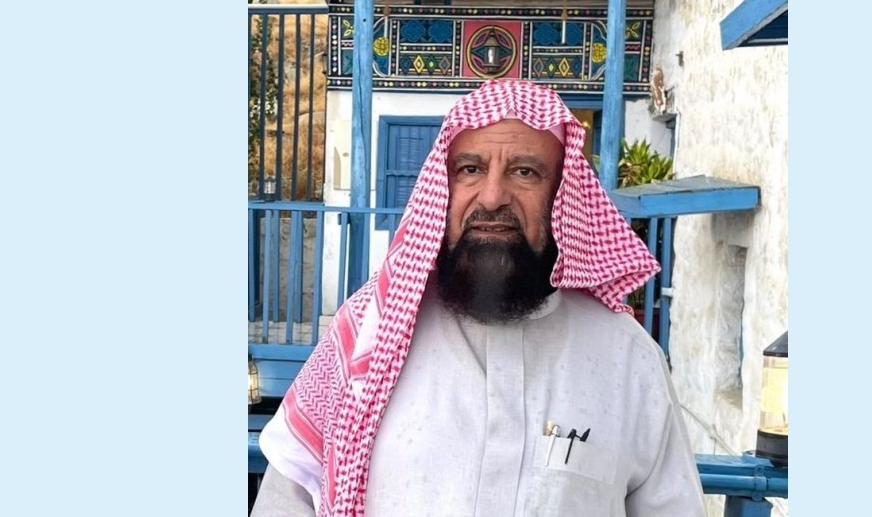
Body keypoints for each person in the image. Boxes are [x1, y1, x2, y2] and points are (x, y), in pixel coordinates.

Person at [252, 80, 705, 517]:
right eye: (470, 169)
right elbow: (287, 500)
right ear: (443, 188)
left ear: (561, 196)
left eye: (524, 172)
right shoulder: (367, 333)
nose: (491, 197)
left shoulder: (628, 360)